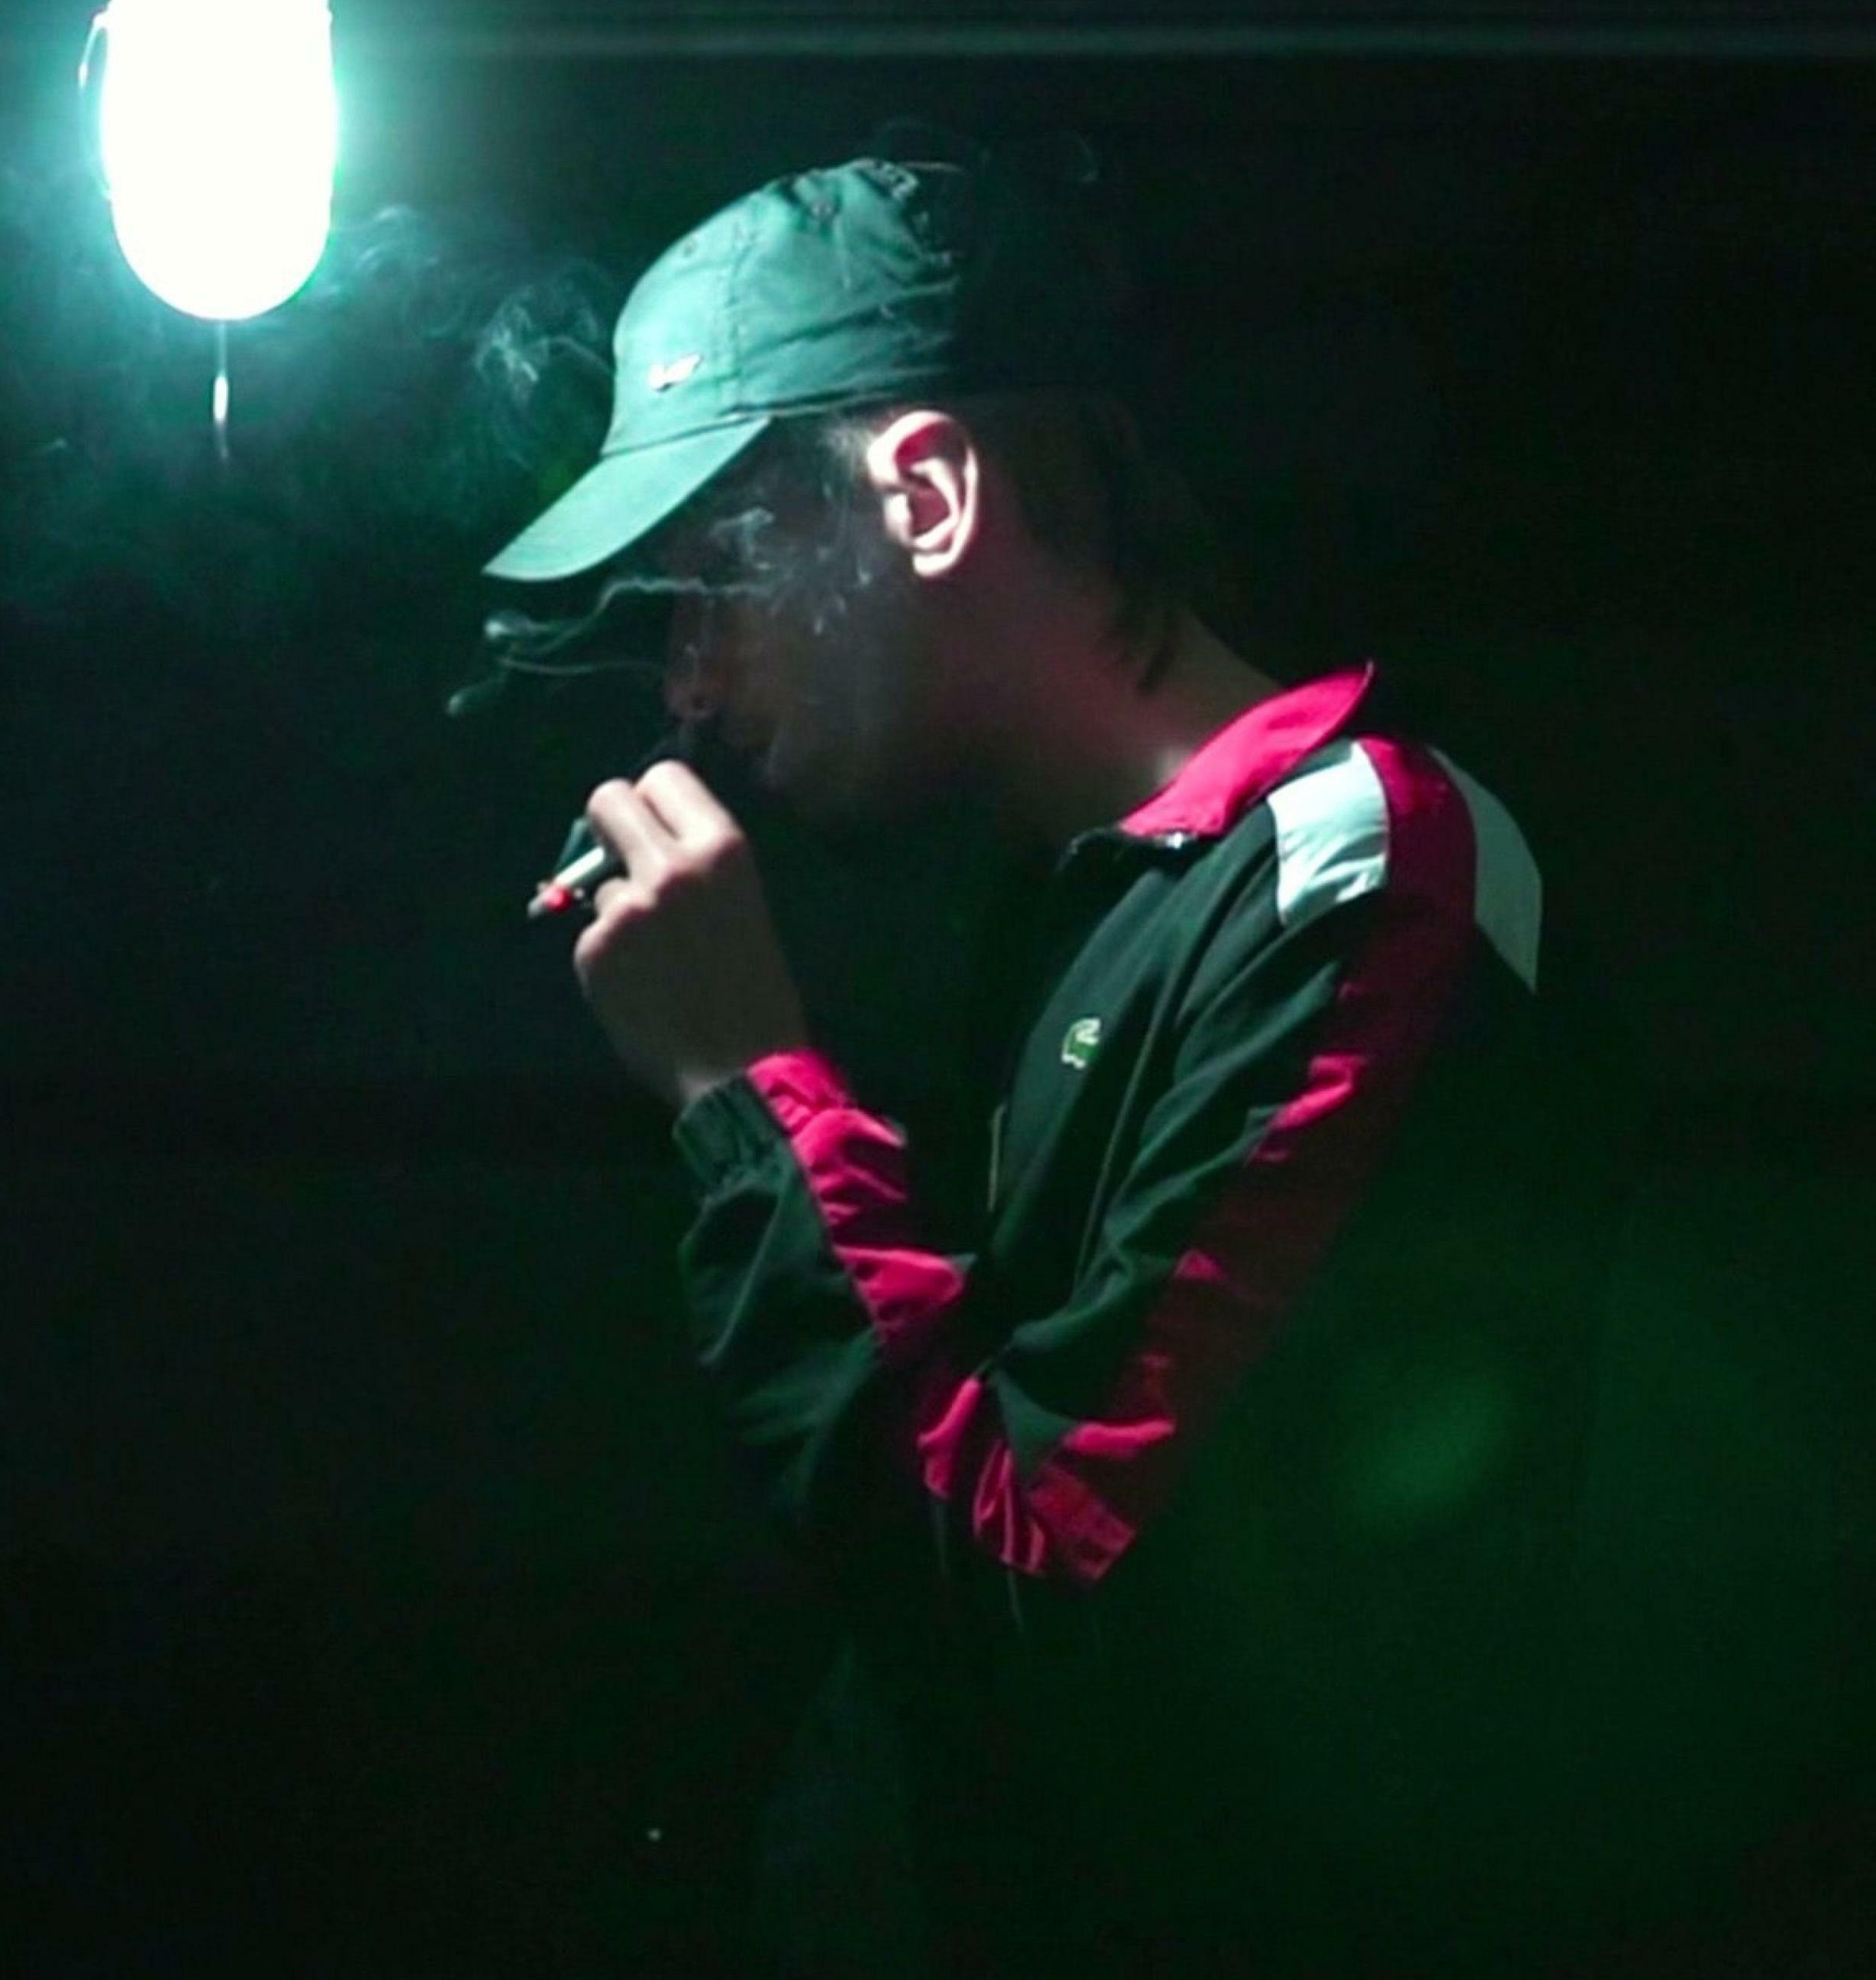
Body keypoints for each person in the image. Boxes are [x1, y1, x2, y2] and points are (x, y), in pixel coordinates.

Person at [478, 151, 1611, 1977]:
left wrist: (749, 1095)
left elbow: (1050, 1599)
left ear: (926, 496)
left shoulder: (1362, 875)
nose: (685, 683)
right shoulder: (1061, 907)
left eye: (718, 577)